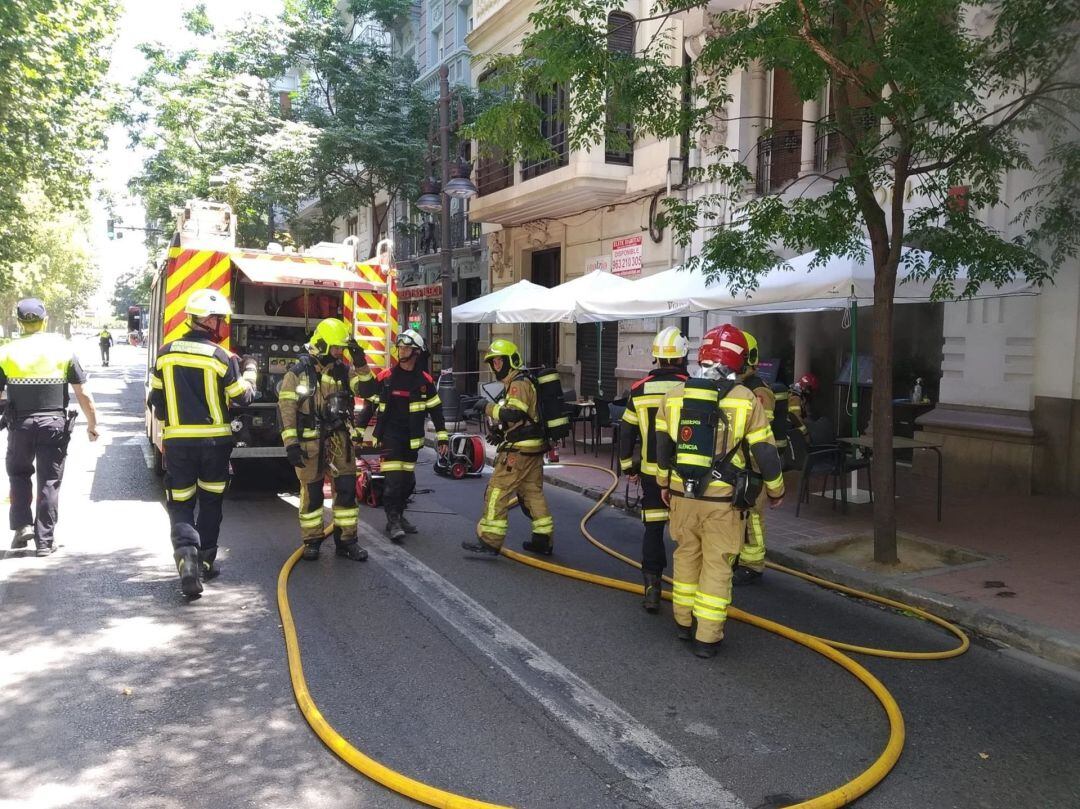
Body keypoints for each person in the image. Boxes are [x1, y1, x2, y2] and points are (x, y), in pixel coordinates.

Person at [654, 324, 785, 658]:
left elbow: (662, 448)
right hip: (722, 501)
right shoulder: (745, 400)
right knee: (717, 564)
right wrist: (775, 489)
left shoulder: (674, 396)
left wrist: (663, 484)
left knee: (685, 556)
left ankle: (683, 623)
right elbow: (765, 452)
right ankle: (707, 637)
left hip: (682, 494)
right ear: (738, 361)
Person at [148, 289, 256, 597]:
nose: (223, 326)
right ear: (208, 321)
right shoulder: (220, 357)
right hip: (215, 445)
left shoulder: (165, 353)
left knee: (180, 503)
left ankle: (187, 558)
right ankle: (206, 561)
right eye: (220, 320)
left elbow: (157, 402)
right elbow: (241, 398)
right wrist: (250, 372)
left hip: (179, 445)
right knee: (211, 502)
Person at [0, 298, 99, 556]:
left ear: (20, 322)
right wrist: (92, 423)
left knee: (19, 473)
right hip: (53, 424)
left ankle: (22, 526)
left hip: (19, 424)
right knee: (50, 480)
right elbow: (82, 392)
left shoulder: (6, 351)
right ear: (44, 320)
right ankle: (44, 542)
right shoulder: (63, 349)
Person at [278, 318, 378, 562]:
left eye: (340, 348)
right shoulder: (299, 372)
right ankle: (312, 541)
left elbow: (368, 390)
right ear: (321, 344)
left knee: (346, 492)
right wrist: (290, 444)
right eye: (334, 347)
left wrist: (360, 362)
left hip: (339, 441)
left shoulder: (343, 370)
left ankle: (347, 541)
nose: (337, 352)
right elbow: (286, 408)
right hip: (310, 444)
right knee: (312, 495)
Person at [617, 326, 690, 613]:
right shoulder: (694, 387)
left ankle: (652, 589)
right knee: (688, 536)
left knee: (653, 530)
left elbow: (626, 432)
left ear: (657, 357)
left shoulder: (639, 389)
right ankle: (690, 597)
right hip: (686, 476)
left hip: (650, 475)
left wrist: (627, 467)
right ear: (682, 356)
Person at [462, 338, 554, 557]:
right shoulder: (519, 383)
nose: (496, 367)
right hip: (531, 448)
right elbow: (519, 418)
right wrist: (500, 432)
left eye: (499, 362)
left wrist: (487, 407)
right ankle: (543, 539)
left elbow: (514, 413)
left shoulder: (518, 384)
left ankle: (490, 540)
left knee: (497, 491)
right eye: (492, 363)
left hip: (518, 452)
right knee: (532, 493)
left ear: (511, 360)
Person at [366, 329, 448, 541]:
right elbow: (370, 406)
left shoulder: (424, 382)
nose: (401, 350)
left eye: (406, 348)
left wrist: (442, 436)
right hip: (390, 437)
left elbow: (436, 409)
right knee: (393, 482)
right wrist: (359, 431)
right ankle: (392, 521)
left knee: (407, 483)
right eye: (400, 347)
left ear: (416, 352)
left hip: (411, 441)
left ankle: (399, 516)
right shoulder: (386, 378)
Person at [734, 331, 777, 585]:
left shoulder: (758, 391)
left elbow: (761, 437)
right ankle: (742, 557)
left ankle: (754, 564)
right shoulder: (739, 387)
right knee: (742, 515)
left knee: (754, 518)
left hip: (754, 466)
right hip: (739, 465)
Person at [788, 372, 819, 439]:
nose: (811, 394)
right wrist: (806, 434)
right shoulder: (795, 398)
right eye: (811, 391)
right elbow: (795, 418)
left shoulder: (797, 395)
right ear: (807, 389)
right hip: (790, 431)